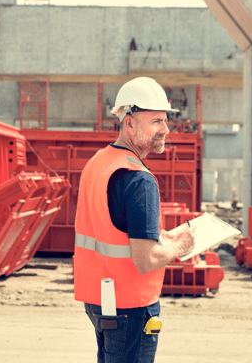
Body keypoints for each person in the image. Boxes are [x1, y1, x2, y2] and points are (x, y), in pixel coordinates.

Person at [74, 77, 196, 362]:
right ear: (129, 123)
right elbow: (145, 260)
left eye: (165, 121)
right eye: (155, 121)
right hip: (129, 307)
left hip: (99, 301)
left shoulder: (98, 163)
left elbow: (111, 229)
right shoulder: (139, 180)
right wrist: (180, 248)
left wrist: (160, 237)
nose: (165, 129)